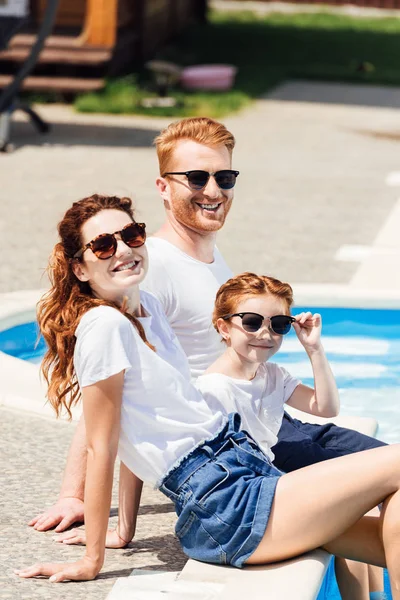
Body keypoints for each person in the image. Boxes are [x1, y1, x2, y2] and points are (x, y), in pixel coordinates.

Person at [29, 118, 385, 594]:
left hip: (240, 464)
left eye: (130, 236)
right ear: (80, 266)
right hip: (222, 495)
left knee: (387, 537)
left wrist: (126, 527)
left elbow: (149, 410)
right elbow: (102, 435)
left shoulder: (144, 307)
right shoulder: (107, 323)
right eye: (102, 245)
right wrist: (90, 540)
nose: (124, 250)